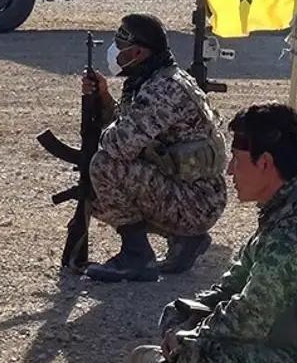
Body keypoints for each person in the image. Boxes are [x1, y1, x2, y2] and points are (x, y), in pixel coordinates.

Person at [129, 102, 297, 363]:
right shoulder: (283, 205)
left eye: (237, 159)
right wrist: (187, 320)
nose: (230, 170)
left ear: (265, 163)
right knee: (177, 315)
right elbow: (235, 282)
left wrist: (192, 339)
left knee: (203, 353)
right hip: (286, 336)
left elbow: (253, 313)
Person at [83, 14, 227, 282]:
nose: (115, 52)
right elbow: (134, 129)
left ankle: (136, 257)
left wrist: (100, 134)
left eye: (120, 45)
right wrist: (103, 99)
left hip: (196, 201)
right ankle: (184, 240)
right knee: (104, 178)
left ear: (138, 52)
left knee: (103, 167)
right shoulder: (155, 78)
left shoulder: (163, 89)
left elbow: (120, 145)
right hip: (195, 194)